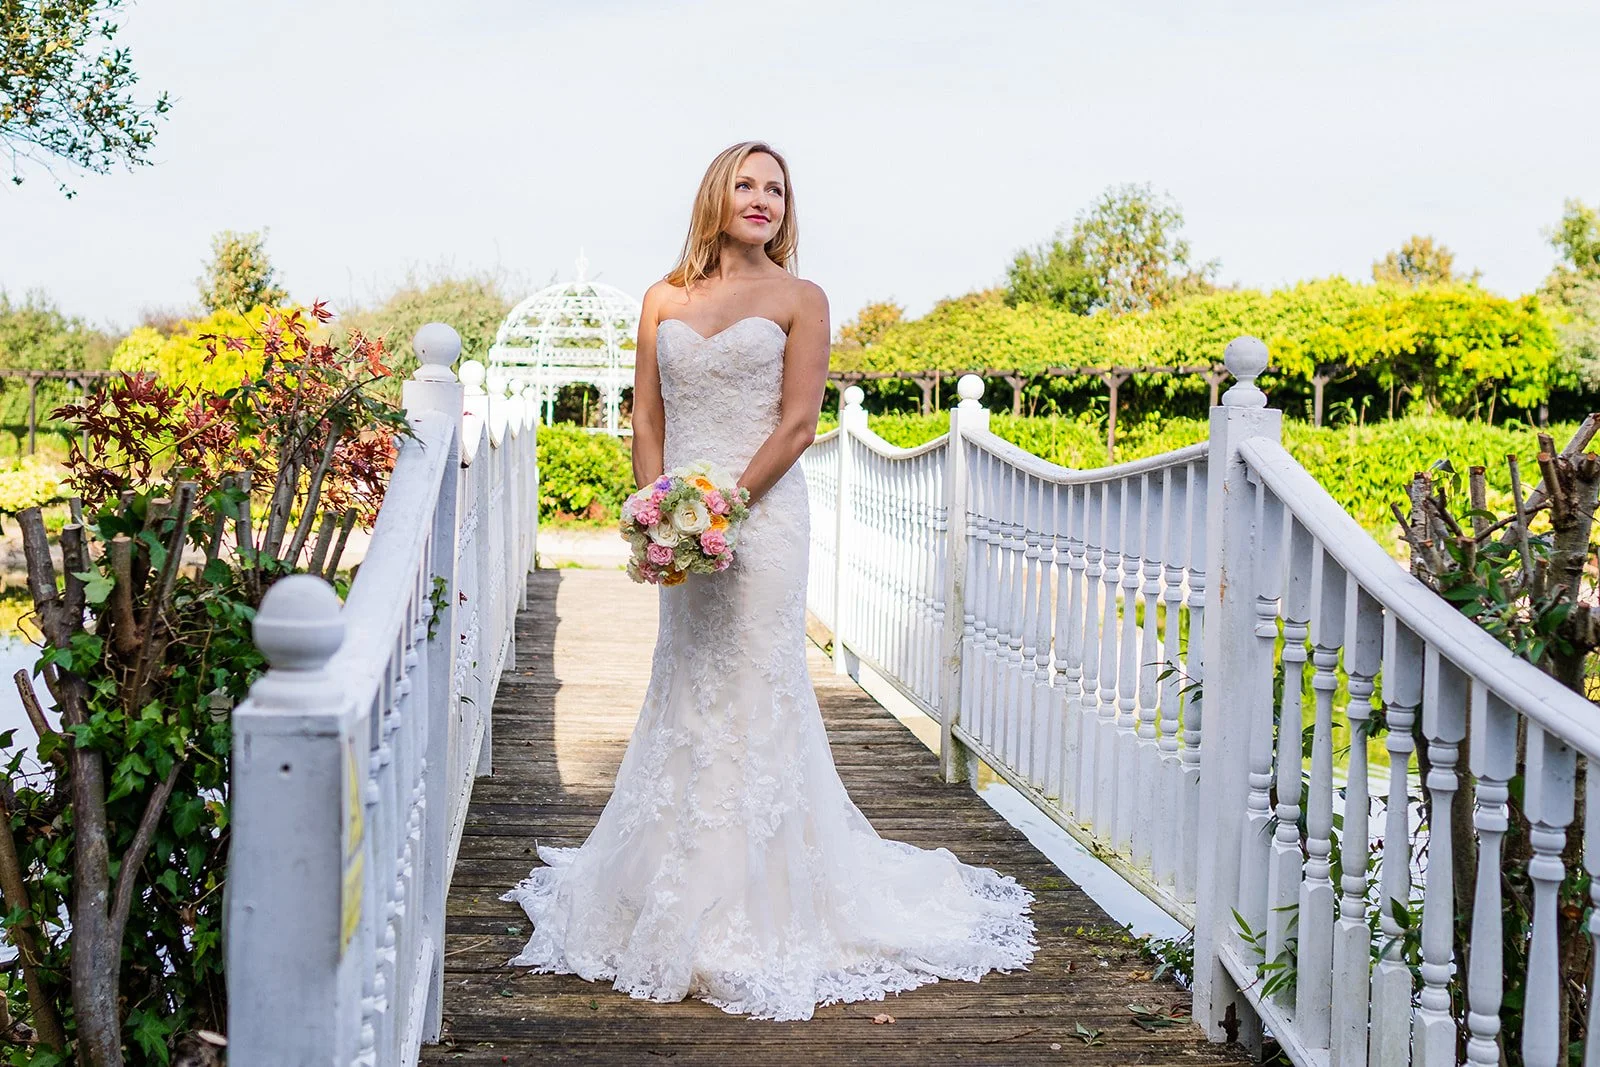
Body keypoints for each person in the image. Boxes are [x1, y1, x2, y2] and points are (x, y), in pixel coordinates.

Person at [503, 140, 1035, 1021]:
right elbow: (648, 413)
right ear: (716, 195)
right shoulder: (662, 299)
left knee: (755, 687)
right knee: (683, 685)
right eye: (747, 185)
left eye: (776, 190)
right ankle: (671, 877)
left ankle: (753, 901)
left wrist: (724, 511)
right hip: (682, 523)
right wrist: (658, 508)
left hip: (766, 517)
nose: (762, 200)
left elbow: (796, 425)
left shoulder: (802, 299)